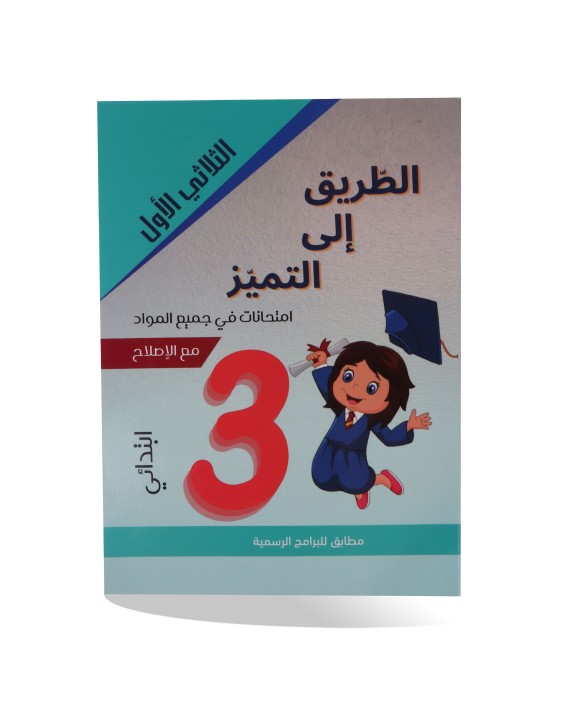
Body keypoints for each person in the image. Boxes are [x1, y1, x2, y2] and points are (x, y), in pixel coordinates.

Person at [306, 339, 431, 509]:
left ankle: (382, 479)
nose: (355, 389)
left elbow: (389, 437)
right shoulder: (341, 408)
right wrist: (321, 365)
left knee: (356, 482)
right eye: (348, 377)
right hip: (329, 450)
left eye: (371, 388)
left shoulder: (372, 420)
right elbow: (327, 388)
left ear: (389, 400)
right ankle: (360, 489)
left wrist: (408, 427)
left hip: (353, 458)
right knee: (321, 478)